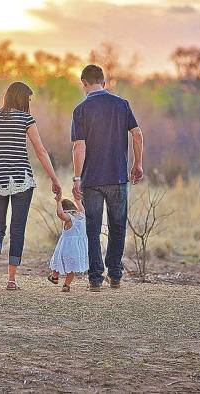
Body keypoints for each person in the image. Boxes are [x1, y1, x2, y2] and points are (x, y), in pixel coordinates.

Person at [0, 81, 62, 290]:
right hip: (21, 179)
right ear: (22, 99)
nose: (29, 103)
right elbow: (41, 151)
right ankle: (11, 280)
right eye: (28, 99)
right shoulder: (26, 119)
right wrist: (54, 179)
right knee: (17, 229)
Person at [70, 65, 144, 292]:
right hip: (118, 176)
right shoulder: (121, 105)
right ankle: (115, 275)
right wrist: (137, 163)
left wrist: (76, 178)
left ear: (84, 83)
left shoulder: (81, 109)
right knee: (118, 226)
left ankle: (95, 279)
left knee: (92, 228)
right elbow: (137, 134)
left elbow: (78, 147)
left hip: (92, 179)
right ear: (103, 81)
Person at [47, 196, 89, 292]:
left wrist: (58, 202)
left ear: (65, 210)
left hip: (66, 247)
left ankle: (54, 277)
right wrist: (78, 201)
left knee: (57, 261)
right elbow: (81, 208)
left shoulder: (69, 218)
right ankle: (66, 285)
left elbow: (60, 214)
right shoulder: (82, 216)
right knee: (72, 268)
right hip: (78, 249)